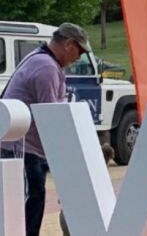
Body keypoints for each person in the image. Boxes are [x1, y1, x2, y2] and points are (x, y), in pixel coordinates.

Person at [1, 23, 89, 236]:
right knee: (32, 197)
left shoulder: (40, 59)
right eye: (80, 50)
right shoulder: (46, 67)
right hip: (22, 148)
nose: (80, 57)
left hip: (20, 145)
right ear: (68, 44)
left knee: (31, 197)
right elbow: (51, 120)